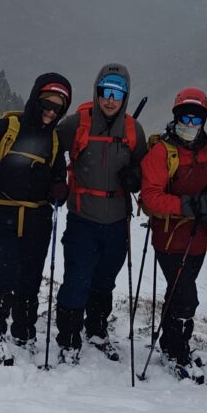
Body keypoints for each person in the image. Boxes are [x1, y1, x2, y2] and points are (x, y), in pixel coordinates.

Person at [0, 72, 72, 366]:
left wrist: (60, 189)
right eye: (46, 105)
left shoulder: (55, 142)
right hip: (1, 215)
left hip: (37, 218)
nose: (50, 112)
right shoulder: (5, 128)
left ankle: (24, 331)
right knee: (7, 272)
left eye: (58, 108)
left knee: (31, 278)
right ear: (35, 100)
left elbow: (58, 175)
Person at [54, 64, 147, 365]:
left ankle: (96, 330)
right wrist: (54, 183)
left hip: (118, 220)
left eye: (117, 94)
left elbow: (146, 168)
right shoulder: (77, 124)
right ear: (97, 93)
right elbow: (50, 149)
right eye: (105, 92)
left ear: (125, 97)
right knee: (77, 278)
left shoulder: (134, 130)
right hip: (83, 217)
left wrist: (135, 176)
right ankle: (68, 338)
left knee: (105, 278)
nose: (110, 100)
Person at [139, 87, 207, 383]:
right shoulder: (162, 152)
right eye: (185, 117)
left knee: (179, 291)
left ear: (203, 120)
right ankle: (175, 349)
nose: (190, 124)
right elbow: (150, 197)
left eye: (196, 118)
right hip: (169, 238)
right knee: (185, 295)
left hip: (199, 239)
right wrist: (188, 205)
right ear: (176, 117)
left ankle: (173, 344)